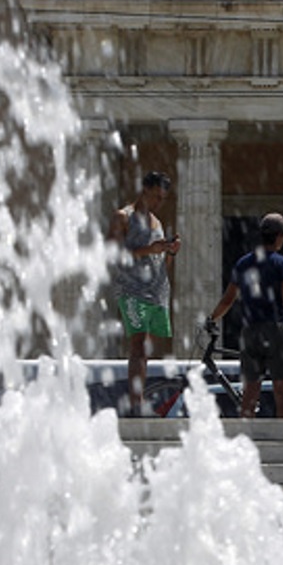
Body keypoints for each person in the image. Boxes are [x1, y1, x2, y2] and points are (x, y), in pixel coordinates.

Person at [207, 212, 283, 418]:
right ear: (279, 236)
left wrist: (212, 319)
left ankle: (246, 440)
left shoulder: (243, 263)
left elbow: (227, 300)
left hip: (250, 331)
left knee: (250, 392)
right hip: (277, 330)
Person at [109, 171, 181, 414]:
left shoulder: (157, 223)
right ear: (144, 191)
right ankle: (135, 402)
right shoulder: (123, 217)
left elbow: (161, 264)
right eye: (155, 197)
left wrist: (169, 251)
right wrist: (148, 249)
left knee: (145, 348)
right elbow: (114, 254)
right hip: (131, 289)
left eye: (162, 198)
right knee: (138, 344)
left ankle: (138, 395)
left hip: (155, 291)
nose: (158, 203)